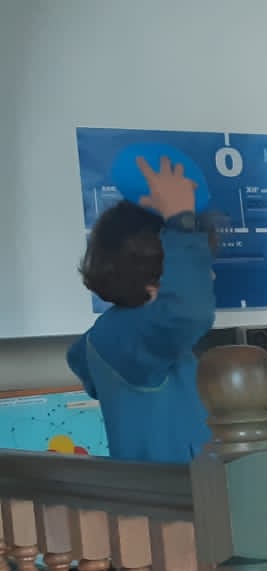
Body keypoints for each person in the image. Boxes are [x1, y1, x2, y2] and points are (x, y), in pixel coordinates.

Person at [70, 155, 215, 465]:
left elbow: (78, 356)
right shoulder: (133, 339)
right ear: (154, 281)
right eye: (197, 272)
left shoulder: (120, 341)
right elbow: (188, 311)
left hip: (190, 487)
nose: (211, 278)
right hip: (175, 492)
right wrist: (180, 220)